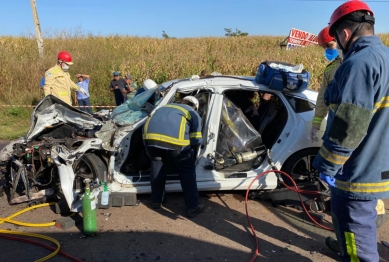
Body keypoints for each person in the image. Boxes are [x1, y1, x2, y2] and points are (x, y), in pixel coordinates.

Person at [312, 1, 389, 261]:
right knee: (364, 224)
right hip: (378, 164)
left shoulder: (358, 64)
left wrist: (326, 166)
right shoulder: (386, 57)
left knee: (355, 240)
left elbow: (348, 127)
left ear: (344, 34)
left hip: (356, 173)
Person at [142, 96, 204, 218]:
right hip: (176, 143)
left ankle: (156, 201)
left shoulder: (164, 107)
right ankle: (193, 207)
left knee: (157, 167)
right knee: (186, 171)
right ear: (195, 107)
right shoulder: (192, 113)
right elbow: (196, 140)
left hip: (149, 139)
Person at [311, 26, 342, 143]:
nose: (327, 50)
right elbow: (322, 98)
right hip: (334, 122)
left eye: (329, 45)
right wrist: (316, 124)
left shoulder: (354, 62)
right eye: (324, 47)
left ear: (339, 41)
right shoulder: (329, 70)